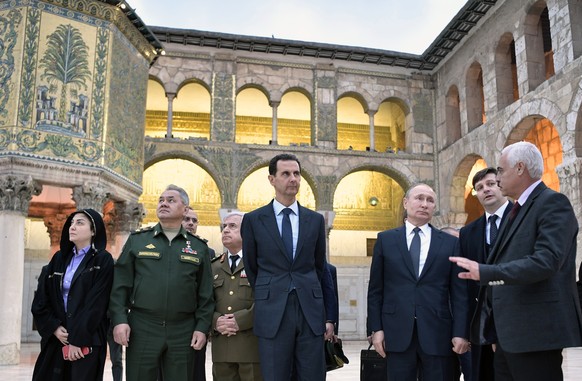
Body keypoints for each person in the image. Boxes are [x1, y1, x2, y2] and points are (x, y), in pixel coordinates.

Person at [450, 141, 582, 381]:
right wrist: (495, 331)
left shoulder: (552, 203)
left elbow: (547, 261)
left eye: (500, 171)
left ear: (520, 168)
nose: (497, 178)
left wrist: (488, 272)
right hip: (508, 336)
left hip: (535, 333)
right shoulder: (518, 210)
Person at [109, 184, 215, 381]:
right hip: (143, 326)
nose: (164, 203)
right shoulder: (138, 241)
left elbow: (205, 293)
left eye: (171, 200)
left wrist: (202, 326)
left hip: (182, 329)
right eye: (161, 200)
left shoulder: (198, 247)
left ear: (185, 209)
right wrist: (120, 320)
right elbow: (120, 285)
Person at [367, 183, 470, 381]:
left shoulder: (450, 243)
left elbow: (459, 293)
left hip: (438, 333)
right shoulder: (386, 240)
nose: (424, 204)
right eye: (419, 198)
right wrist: (376, 330)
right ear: (406, 202)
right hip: (396, 333)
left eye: (430, 200)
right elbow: (375, 290)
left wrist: (460, 332)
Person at [241, 153, 329, 381]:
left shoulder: (315, 220)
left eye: (297, 174)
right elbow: (252, 267)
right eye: (286, 174)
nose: (293, 179)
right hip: (272, 310)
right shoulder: (254, 220)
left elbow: (319, 266)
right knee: (275, 374)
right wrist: (272, 288)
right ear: (272, 179)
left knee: (312, 375)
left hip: (309, 309)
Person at [31, 208, 114, 381]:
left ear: (93, 231)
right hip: (57, 339)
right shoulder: (58, 259)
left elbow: (96, 304)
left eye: (80, 223)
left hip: (87, 341)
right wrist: (54, 327)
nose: (72, 227)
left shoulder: (103, 260)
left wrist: (78, 340)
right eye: (71, 223)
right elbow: (41, 299)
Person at [458, 167, 511, 381]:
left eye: (490, 184)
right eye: (479, 188)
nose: (485, 190)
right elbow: (463, 286)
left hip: (516, 320)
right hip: (481, 324)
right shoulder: (468, 232)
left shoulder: (523, 217)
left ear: (501, 185)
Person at [210, 212, 262, 381]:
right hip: (221, 349)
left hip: (250, 347)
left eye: (232, 226)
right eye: (224, 226)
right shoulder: (214, 266)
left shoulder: (259, 263)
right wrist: (215, 321)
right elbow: (204, 302)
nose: (226, 230)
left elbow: (266, 300)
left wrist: (240, 320)